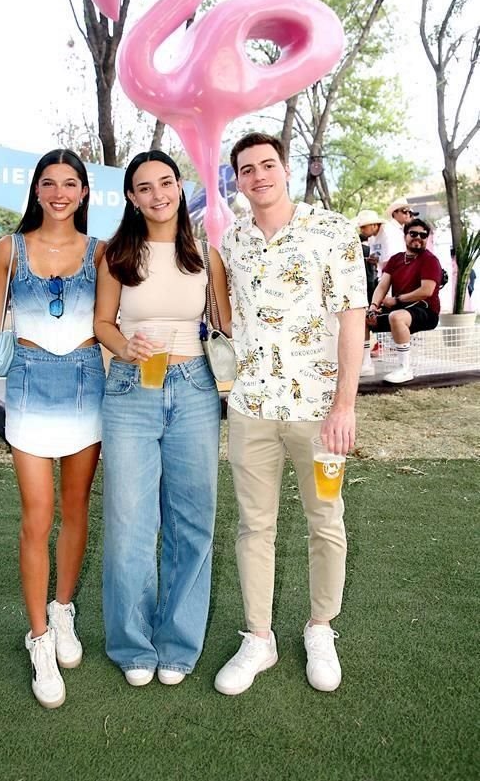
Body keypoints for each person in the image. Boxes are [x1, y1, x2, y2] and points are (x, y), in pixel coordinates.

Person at [0, 149, 106, 709]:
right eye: (49, 183)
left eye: (70, 183)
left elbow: (112, 322)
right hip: (30, 387)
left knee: (77, 510)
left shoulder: (102, 253)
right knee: (38, 518)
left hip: (87, 385)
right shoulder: (8, 249)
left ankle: (63, 612)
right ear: (35, 191)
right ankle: (38, 637)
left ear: (84, 193)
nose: (59, 192)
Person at [214, 132, 366, 697]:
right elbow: (227, 317)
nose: (258, 176)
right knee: (254, 525)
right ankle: (259, 637)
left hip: (319, 410)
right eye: (246, 170)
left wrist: (345, 405)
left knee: (325, 521)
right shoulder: (233, 240)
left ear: (286, 167)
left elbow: (353, 317)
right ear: (237, 180)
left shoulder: (332, 231)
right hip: (251, 408)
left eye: (267, 165)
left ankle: (320, 628)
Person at [94, 150, 230, 688]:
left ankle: (178, 643)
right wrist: (124, 346)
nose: (158, 194)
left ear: (179, 186)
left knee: (192, 520)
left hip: (195, 387)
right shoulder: (115, 255)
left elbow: (222, 323)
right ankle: (132, 644)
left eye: (166, 182)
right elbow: (103, 322)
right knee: (130, 521)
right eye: (144, 187)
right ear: (131, 197)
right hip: (131, 390)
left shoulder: (206, 255)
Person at [367, 218, 441, 384]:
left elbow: (426, 291)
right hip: (400, 309)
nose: (418, 237)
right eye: (413, 233)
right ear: (405, 235)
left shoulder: (430, 260)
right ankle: (365, 364)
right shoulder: (396, 259)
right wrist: (373, 307)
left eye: (423, 235)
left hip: (426, 311)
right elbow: (382, 286)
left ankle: (404, 368)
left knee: (397, 317)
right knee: (363, 317)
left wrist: (397, 300)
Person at [355, 210, 384, 377]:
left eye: (364, 227)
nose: (362, 230)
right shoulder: (372, 242)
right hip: (374, 284)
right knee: (364, 319)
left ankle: (376, 349)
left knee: (369, 317)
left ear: (373, 225)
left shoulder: (387, 237)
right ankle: (365, 360)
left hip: (376, 285)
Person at [369, 197, 419, 275]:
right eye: (404, 211)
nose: (408, 214)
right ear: (394, 213)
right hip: (391, 274)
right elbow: (390, 256)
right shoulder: (389, 229)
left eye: (409, 212)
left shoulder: (400, 229)